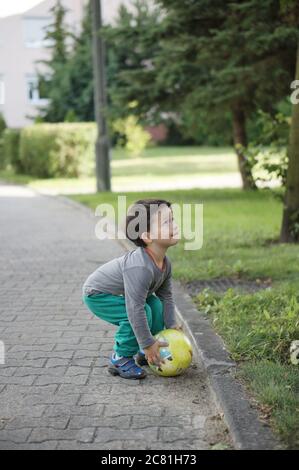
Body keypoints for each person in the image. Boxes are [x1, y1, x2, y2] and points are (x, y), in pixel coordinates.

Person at [82, 198, 181, 379]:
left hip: (124, 291)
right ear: (147, 236)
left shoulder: (165, 263)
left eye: (173, 219)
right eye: (167, 222)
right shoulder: (140, 268)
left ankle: (150, 350)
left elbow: (166, 297)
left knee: (156, 307)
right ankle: (119, 358)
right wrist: (146, 342)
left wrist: (172, 325)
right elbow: (135, 309)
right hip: (97, 294)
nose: (174, 225)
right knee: (137, 313)